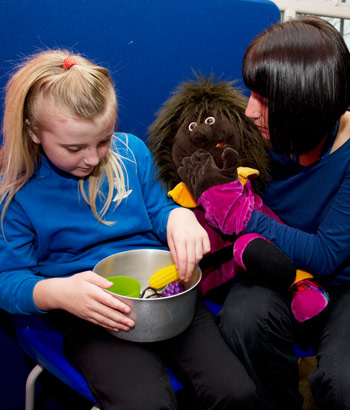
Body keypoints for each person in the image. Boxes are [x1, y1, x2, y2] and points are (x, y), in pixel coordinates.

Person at [0, 49, 256, 410]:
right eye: (74, 147)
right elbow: (8, 279)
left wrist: (179, 217)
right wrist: (56, 292)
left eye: (103, 141)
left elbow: (159, 210)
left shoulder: (131, 153)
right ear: (33, 132)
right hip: (92, 314)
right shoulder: (17, 194)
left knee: (236, 392)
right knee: (146, 403)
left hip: (168, 296)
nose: (91, 158)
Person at [191, 17, 350, 410]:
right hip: (277, 270)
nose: (250, 111)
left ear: (304, 107)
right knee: (243, 320)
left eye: (265, 101)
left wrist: (240, 214)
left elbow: (325, 255)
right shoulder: (262, 133)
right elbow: (190, 168)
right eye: (252, 93)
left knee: (348, 383)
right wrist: (183, 212)